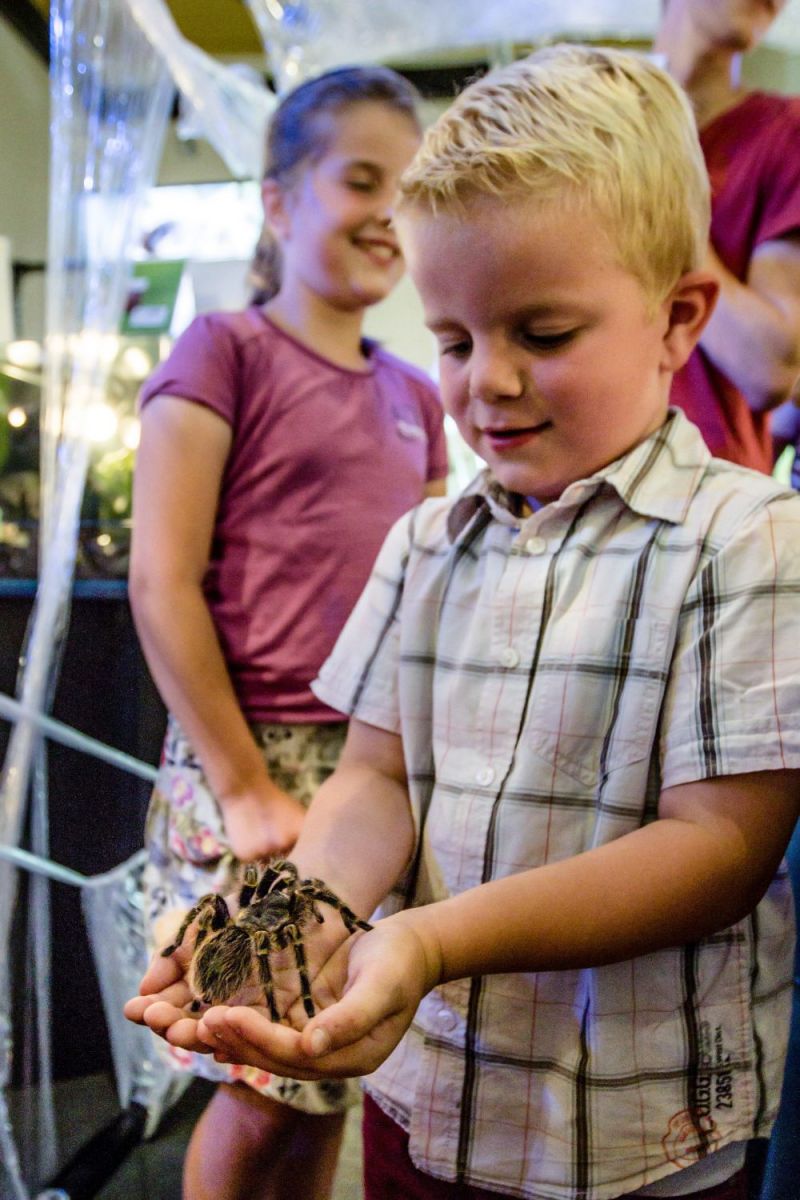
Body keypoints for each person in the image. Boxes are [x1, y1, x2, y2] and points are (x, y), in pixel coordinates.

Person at [126, 45, 800, 1200]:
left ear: (677, 317)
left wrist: (429, 941)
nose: (485, 380)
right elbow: (372, 779)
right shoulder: (426, 540)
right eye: (450, 339)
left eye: (540, 334)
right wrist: (305, 915)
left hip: (636, 1140)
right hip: (426, 1102)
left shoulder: (744, 539)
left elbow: (719, 850)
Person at [128, 65, 448, 1200]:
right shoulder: (223, 350)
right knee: (252, 1073)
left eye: (406, 188)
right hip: (251, 761)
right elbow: (161, 581)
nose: (384, 210)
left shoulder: (419, 390)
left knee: (319, 1074)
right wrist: (245, 784)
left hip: (364, 769)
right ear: (277, 200)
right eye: (360, 179)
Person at [653, 0, 800, 472]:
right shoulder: (586, 114)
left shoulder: (782, 133)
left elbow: (769, 369)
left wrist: (655, 187)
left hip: (711, 490)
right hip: (582, 487)